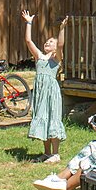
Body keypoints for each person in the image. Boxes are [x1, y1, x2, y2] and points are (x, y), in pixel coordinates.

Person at [22, 10, 67, 162]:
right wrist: (29, 23)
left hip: (51, 92)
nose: (47, 42)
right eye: (47, 41)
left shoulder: (57, 59)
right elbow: (28, 41)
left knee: (53, 117)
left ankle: (56, 154)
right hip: (40, 93)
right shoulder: (39, 57)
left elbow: (60, 44)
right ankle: (47, 153)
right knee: (43, 118)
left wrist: (61, 29)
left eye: (51, 42)